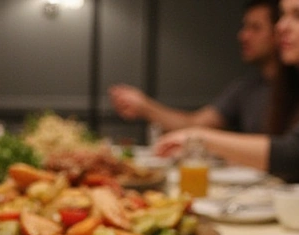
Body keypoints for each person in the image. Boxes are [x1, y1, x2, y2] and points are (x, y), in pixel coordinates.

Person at [153, 0, 299, 186]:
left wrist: (199, 137)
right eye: (282, 16)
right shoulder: (290, 83)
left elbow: (294, 154)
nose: (282, 27)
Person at [109, 0, 279, 135]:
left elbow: (286, 150)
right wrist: (144, 106)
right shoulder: (246, 87)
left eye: (255, 28)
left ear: (279, 33)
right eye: (245, 27)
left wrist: (209, 139)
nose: (243, 35)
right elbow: (195, 125)